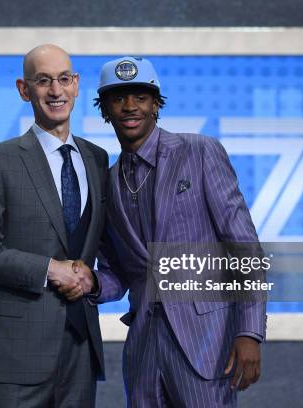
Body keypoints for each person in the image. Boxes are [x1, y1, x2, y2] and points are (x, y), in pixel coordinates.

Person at [82, 56, 267, 407]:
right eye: (118, 98)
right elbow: (119, 274)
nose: (130, 106)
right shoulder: (107, 181)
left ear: (155, 103)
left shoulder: (199, 151)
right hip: (143, 348)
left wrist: (249, 331)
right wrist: (90, 283)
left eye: (140, 96)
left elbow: (243, 246)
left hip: (206, 342)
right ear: (105, 108)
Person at [0, 44, 107, 408]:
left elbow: (100, 247)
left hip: (80, 352)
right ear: (24, 89)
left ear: (76, 84)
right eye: (43, 81)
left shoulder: (98, 160)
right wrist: (49, 269)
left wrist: (95, 279)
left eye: (64, 79)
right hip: (14, 357)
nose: (56, 91)